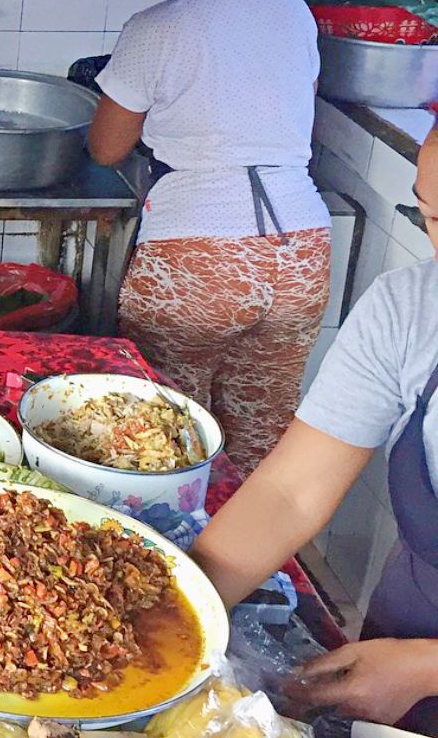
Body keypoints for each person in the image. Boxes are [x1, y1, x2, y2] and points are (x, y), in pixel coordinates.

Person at [88, 0, 331, 474]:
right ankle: (251, 568)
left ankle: (176, 556)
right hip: (301, 251)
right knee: (261, 437)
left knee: (164, 435)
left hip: (199, 259)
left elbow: (106, 147)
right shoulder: (290, 8)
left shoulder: (156, 27)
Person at [192, 125, 438, 733]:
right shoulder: (412, 307)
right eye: (432, 215)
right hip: (396, 646)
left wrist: (427, 669)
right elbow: (290, 491)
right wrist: (172, 605)